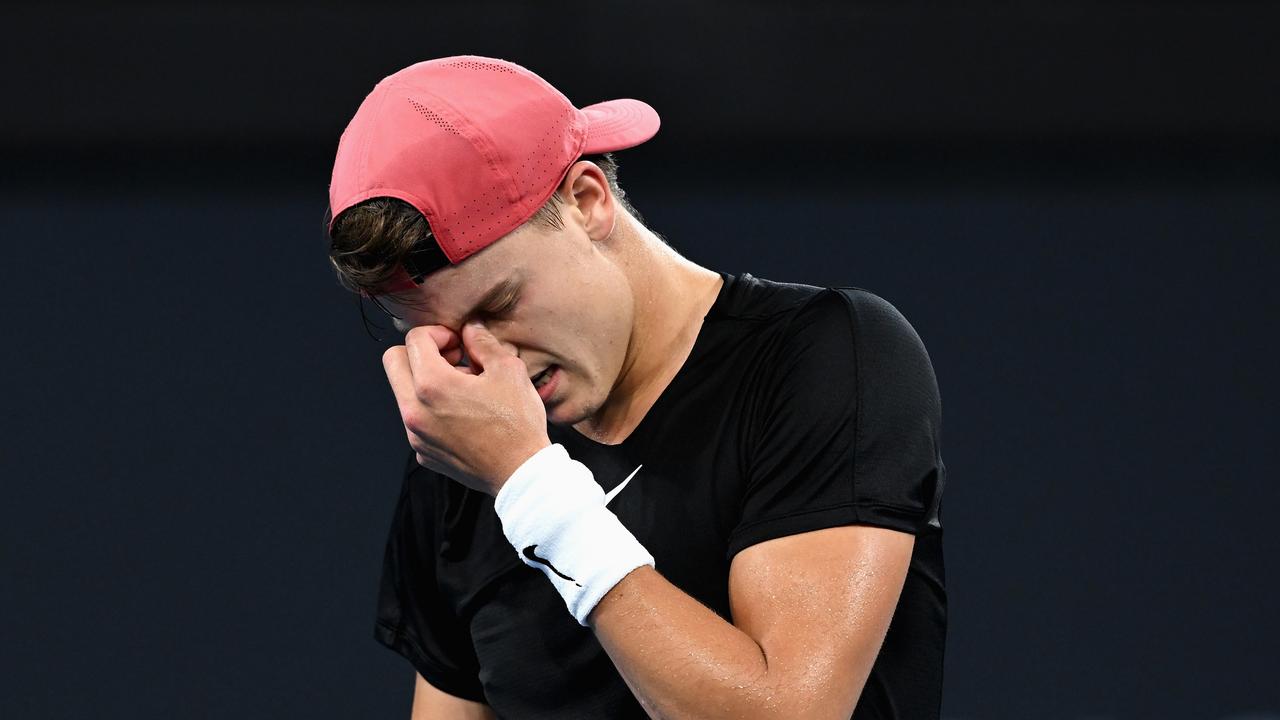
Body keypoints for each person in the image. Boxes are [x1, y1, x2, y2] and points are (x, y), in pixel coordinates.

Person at [325, 54, 947, 719]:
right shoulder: (466, 452)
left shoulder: (828, 356)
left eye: (500, 305)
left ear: (587, 201)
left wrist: (528, 484)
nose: (488, 364)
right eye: (448, 341)